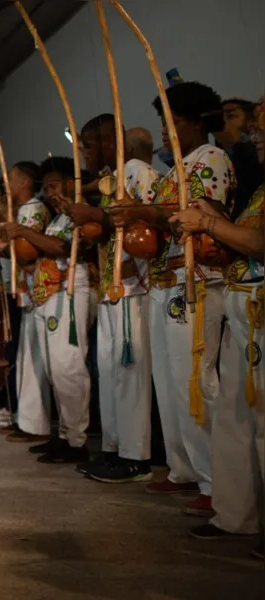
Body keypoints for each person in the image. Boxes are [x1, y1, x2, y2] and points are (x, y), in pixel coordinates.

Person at [110, 82, 237, 517]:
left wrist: (145, 214)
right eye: (165, 123)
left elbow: (201, 213)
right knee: (169, 385)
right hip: (167, 283)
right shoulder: (175, 167)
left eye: (175, 123)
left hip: (197, 281)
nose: (167, 131)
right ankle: (184, 468)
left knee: (195, 384)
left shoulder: (212, 158)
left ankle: (217, 480)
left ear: (198, 123)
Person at [168, 101, 263, 557]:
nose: (255, 136)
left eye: (262, 130)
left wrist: (207, 222)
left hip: (258, 311)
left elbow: (260, 242)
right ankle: (235, 515)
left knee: (260, 422)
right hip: (244, 312)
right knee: (234, 418)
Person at [69, 115, 160, 483]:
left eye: (88, 146)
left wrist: (97, 216)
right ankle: (113, 448)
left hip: (133, 287)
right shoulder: (112, 180)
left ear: (109, 142)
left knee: (129, 374)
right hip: (112, 286)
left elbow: (151, 222)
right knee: (109, 374)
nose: (84, 154)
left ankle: (136, 456)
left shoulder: (138, 171)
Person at [0, 157, 95, 464]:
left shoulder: (77, 216)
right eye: (48, 186)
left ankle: (77, 439)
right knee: (56, 370)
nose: (51, 192)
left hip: (69, 290)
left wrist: (24, 233)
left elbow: (60, 248)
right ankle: (65, 433)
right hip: (49, 295)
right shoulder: (57, 218)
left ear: (72, 182)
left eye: (56, 184)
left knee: (68, 366)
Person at [0, 163, 51, 443]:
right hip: (26, 291)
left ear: (25, 182)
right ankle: (28, 421)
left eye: (12, 179)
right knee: (25, 358)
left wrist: (3, 247)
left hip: (36, 290)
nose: (7, 185)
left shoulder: (34, 210)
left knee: (33, 360)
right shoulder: (24, 211)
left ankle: (35, 423)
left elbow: (29, 253)